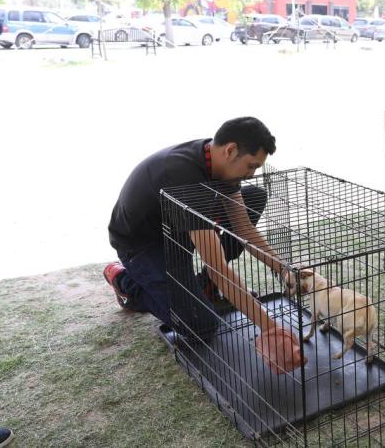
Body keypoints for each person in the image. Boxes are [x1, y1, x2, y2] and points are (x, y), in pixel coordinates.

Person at [104, 117, 305, 374]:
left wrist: (283, 268)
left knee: (253, 197)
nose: (251, 174)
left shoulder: (222, 164)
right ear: (230, 150)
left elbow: (243, 228)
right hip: (144, 244)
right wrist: (271, 329)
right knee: (200, 327)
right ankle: (124, 280)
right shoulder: (181, 175)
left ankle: (202, 286)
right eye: (251, 166)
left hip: (178, 228)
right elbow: (218, 267)